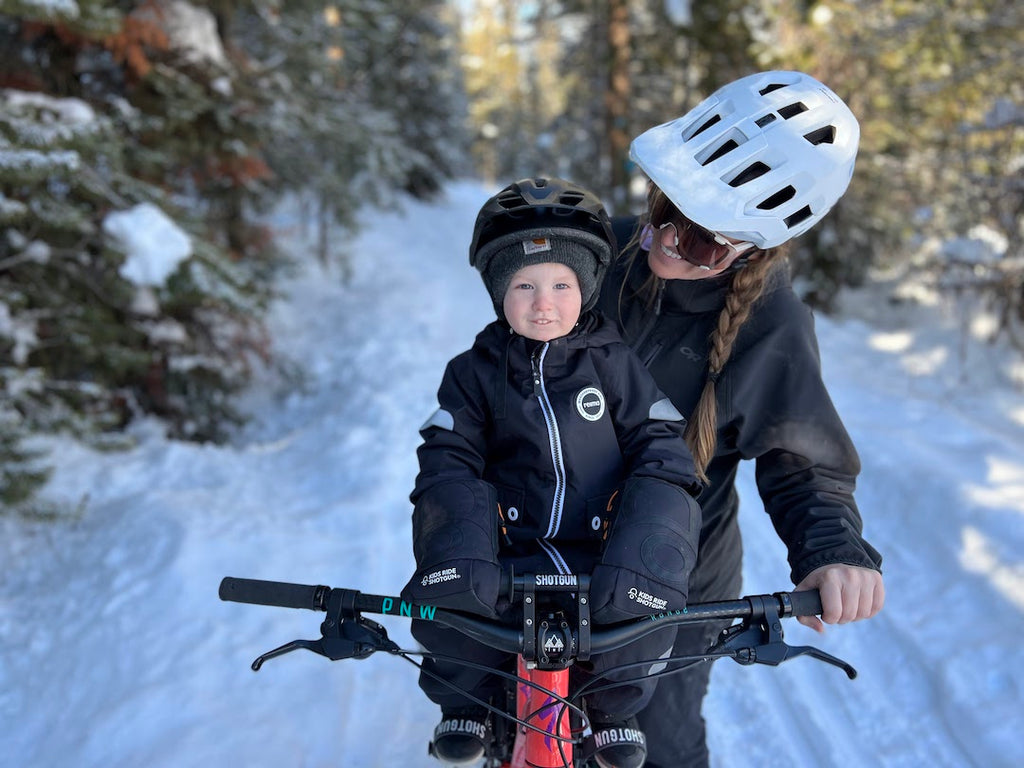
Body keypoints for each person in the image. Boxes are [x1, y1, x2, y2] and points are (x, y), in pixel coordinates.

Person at [595, 70, 887, 767]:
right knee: (505, 707)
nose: (665, 242)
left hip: (674, 576)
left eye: (700, 241)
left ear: (753, 248)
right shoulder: (596, 255)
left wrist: (833, 552)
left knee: (655, 743)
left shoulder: (770, 322)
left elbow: (803, 458)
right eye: (662, 208)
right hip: (545, 545)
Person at [401, 177, 704, 768]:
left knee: (648, 590)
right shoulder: (473, 372)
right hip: (505, 557)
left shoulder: (614, 365)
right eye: (525, 285)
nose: (545, 303)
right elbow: (448, 453)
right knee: (456, 585)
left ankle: (615, 706)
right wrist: (459, 547)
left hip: (605, 555)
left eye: (562, 284)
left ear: (586, 288)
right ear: (498, 293)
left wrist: (654, 520)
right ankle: (467, 698)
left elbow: (660, 442)